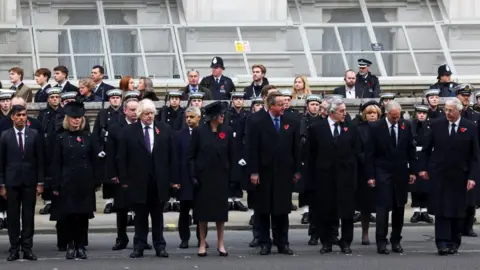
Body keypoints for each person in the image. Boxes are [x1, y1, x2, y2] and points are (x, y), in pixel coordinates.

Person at [119, 99, 179, 259]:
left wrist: (174, 179)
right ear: (140, 114)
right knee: (140, 216)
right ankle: (139, 245)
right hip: (138, 181)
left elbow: (172, 156)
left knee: (158, 216)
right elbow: (122, 157)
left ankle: (160, 245)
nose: (150, 116)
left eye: (152, 113)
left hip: (159, 181)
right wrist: (124, 180)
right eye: (146, 114)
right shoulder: (129, 131)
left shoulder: (164, 130)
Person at [419, 98, 479, 255]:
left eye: (451, 110)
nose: (447, 113)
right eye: (446, 109)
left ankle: (454, 242)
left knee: (458, 211)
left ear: (459, 110)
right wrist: (423, 168)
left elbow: (475, 156)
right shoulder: (437, 124)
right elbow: (426, 149)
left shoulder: (470, 127)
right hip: (440, 174)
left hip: (461, 176)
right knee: (441, 210)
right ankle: (442, 242)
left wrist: (473, 177)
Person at [247, 91, 301, 255]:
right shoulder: (256, 121)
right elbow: (252, 149)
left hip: (284, 172)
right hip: (264, 172)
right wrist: (253, 172)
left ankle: (282, 242)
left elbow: (296, 148)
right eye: (280, 104)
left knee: (281, 210)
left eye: (285, 103)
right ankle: (265, 242)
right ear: (271, 106)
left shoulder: (291, 121)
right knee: (263, 210)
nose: (284, 106)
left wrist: (297, 170)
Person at [308, 97, 359, 255]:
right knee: (325, 210)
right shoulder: (317, 127)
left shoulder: (350, 127)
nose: (345, 113)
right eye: (341, 111)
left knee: (346, 211)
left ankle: (346, 241)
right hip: (324, 176)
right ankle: (326, 242)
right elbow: (311, 154)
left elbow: (356, 151)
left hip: (345, 176)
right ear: (332, 112)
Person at [366, 100, 417, 255]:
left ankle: (396, 240)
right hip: (382, 172)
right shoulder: (376, 127)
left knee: (399, 208)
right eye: (394, 117)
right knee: (382, 209)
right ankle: (381, 241)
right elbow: (369, 154)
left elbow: (411, 151)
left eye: (398, 116)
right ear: (386, 114)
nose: (396, 119)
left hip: (400, 173)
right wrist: (370, 176)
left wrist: (413, 171)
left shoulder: (406, 126)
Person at [51, 99, 98, 260]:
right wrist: (55, 185)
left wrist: (96, 181)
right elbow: (56, 163)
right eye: (73, 118)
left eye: (79, 118)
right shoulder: (61, 138)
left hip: (85, 181)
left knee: (83, 216)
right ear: (68, 119)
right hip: (67, 181)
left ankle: (81, 245)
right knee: (69, 216)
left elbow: (94, 160)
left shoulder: (88, 137)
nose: (76, 120)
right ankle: (70, 244)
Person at [188, 101, 234, 257]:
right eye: (220, 114)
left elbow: (232, 155)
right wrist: (193, 175)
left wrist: (232, 176)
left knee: (220, 214)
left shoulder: (227, 130)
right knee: (203, 214)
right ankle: (202, 243)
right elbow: (191, 156)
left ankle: (221, 244)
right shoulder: (199, 132)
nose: (223, 116)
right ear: (213, 116)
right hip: (203, 178)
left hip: (221, 177)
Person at [0, 105, 44, 261]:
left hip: (29, 182)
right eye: (18, 115)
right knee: (13, 217)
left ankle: (27, 248)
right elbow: (1, 162)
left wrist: (40, 182)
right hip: (11, 183)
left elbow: (40, 160)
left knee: (28, 216)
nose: (21, 118)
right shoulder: (5, 136)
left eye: (24, 115)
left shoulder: (34, 134)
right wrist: (2, 185)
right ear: (12, 117)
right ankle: (14, 248)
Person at [106, 93, 140, 251]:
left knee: (141, 209)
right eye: (132, 110)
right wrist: (113, 174)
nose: (134, 112)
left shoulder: (144, 126)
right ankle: (121, 238)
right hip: (121, 174)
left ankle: (141, 238)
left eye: (137, 110)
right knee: (121, 209)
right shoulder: (115, 128)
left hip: (139, 174)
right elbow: (111, 153)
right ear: (125, 110)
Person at [352, 101, 381, 245]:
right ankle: (365, 233)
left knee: (383, 204)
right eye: (369, 113)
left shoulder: (383, 128)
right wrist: (369, 162)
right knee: (365, 206)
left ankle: (381, 235)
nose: (372, 116)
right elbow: (357, 150)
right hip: (364, 171)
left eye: (374, 113)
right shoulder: (359, 129)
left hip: (381, 169)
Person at [92, 89, 124, 214]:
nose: (115, 100)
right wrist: (99, 149)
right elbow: (95, 134)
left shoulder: (125, 112)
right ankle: (109, 202)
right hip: (107, 149)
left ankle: (119, 201)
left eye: (117, 98)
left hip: (121, 148)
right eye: (112, 98)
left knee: (121, 175)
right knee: (108, 177)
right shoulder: (103, 114)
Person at [177, 106, 203, 249]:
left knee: (200, 211)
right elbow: (176, 158)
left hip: (200, 179)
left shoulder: (205, 133)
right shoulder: (179, 135)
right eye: (187, 117)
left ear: (199, 117)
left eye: (191, 117)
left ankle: (202, 238)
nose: (188, 120)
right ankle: (184, 238)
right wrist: (175, 180)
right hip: (184, 178)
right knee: (184, 211)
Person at [37, 87, 63, 216]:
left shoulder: (63, 113)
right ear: (48, 99)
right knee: (46, 174)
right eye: (52, 97)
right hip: (46, 147)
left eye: (57, 97)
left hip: (60, 147)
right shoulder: (43, 113)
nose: (54, 99)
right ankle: (47, 202)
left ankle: (58, 201)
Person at [224, 92, 249, 212]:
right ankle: (229, 199)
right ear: (232, 101)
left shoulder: (246, 115)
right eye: (236, 99)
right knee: (230, 173)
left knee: (239, 174)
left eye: (240, 99)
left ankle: (237, 199)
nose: (238, 101)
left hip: (241, 147)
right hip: (229, 146)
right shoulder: (227, 114)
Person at [409, 105, 434, 224]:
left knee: (425, 184)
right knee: (415, 184)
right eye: (419, 113)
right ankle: (416, 210)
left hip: (427, 156)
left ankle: (424, 210)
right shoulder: (411, 125)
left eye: (424, 113)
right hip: (414, 156)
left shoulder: (431, 126)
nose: (421, 115)